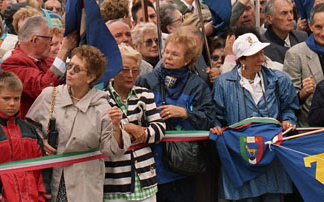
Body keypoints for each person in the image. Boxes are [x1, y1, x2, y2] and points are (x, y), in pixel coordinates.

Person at [26, 45, 130, 202]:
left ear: (90, 78)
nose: (70, 71)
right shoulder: (50, 95)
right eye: (69, 65)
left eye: (77, 69)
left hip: (84, 184)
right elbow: (29, 128)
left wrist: (116, 126)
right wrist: (42, 141)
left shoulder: (102, 107)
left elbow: (113, 150)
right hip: (49, 178)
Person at [210, 33, 299, 200]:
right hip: (241, 155)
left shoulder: (279, 79)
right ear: (242, 60)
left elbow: (290, 107)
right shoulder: (223, 83)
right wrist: (216, 127)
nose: (261, 59)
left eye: (261, 53)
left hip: (272, 155)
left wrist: (288, 120)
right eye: (254, 55)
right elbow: (216, 115)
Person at [137, 28, 215, 202]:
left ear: (187, 60)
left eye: (175, 54)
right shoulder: (147, 81)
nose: (168, 57)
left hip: (183, 168)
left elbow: (209, 119)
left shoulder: (197, 86)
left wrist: (185, 113)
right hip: (150, 165)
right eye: (166, 52)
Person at [0, 72, 51, 202]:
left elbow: (42, 168)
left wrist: (43, 197)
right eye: (6, 98)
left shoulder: (29, 130)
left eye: (16, 98)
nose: (12, 103)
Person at [104, 45, 166, 201]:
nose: (130, 75)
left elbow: (159, 128)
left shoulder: (145, 95)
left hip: (146, 179)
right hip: (114, 182)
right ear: (113, 69)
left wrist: (139, 133)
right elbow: (102, 132)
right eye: (125, 70)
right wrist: (128, 127)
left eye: (135, 70)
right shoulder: (102, 99)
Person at [1, 15, 75, 117]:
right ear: (35, 40)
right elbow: (43, 88)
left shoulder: (45, 59)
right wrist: (64, 50)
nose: (51, 43)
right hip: (28, 125)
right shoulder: (12, 64)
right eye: (49, 38)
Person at [284, 3, 324, 126]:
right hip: (310, 127)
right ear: (310, 26)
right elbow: (288, 101)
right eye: (318, 27)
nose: (323, 33)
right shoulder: (295, 54)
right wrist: (303, 93)